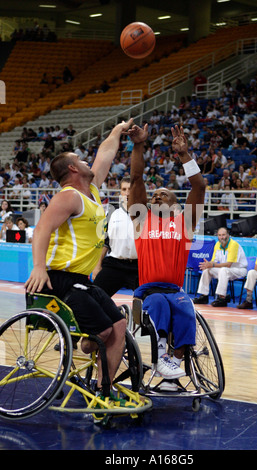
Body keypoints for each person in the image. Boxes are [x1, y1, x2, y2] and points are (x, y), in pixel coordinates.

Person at [24, 119, 134, 397]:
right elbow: (41, 230)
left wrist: (117, 130)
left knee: (119, 325)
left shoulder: (92, 190)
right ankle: (82, 344)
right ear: (73, 168)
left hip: (82, 280)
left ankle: (103, 387)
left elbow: (105, 154)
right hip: (61, 278)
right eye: (80, 159)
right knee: (105, 331)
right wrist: (39, 267)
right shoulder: (69, 197)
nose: (87, 162)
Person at [127, 123, 205, 388]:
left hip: (176, 289)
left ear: (175, 204)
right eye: (155, 195)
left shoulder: (185, 222)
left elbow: (200, 187)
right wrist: (139, 145)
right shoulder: (141, 219)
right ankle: (161, 357)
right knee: (159, 302)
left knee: (185, 308)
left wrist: (184, 155)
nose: (157, 196)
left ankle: (173, 365)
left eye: (164, 194)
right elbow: (137, 179)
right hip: (148, 292)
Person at [92, 176, 139, 297]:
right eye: (124, 189)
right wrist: (97, 267)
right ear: (120, 192)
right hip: (115, 264)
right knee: (95, 296)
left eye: (130, 189)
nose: (127, 193)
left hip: (139, 267)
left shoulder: (146, 212)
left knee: (149, 301)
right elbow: (104, 242)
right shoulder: (112, 212)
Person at [193, 227, 248, 307]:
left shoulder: (233, 245)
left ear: (228, 235)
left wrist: (213, 265)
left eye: (223, 235)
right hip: (225, 270)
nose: (222, 237)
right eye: (219, 235)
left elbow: (229, 264)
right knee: (207, 270)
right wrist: (208, 264)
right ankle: (203, 296)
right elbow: (214, 261)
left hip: (239, 270)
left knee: (223, 270)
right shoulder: (217, 244)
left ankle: (222, 298)